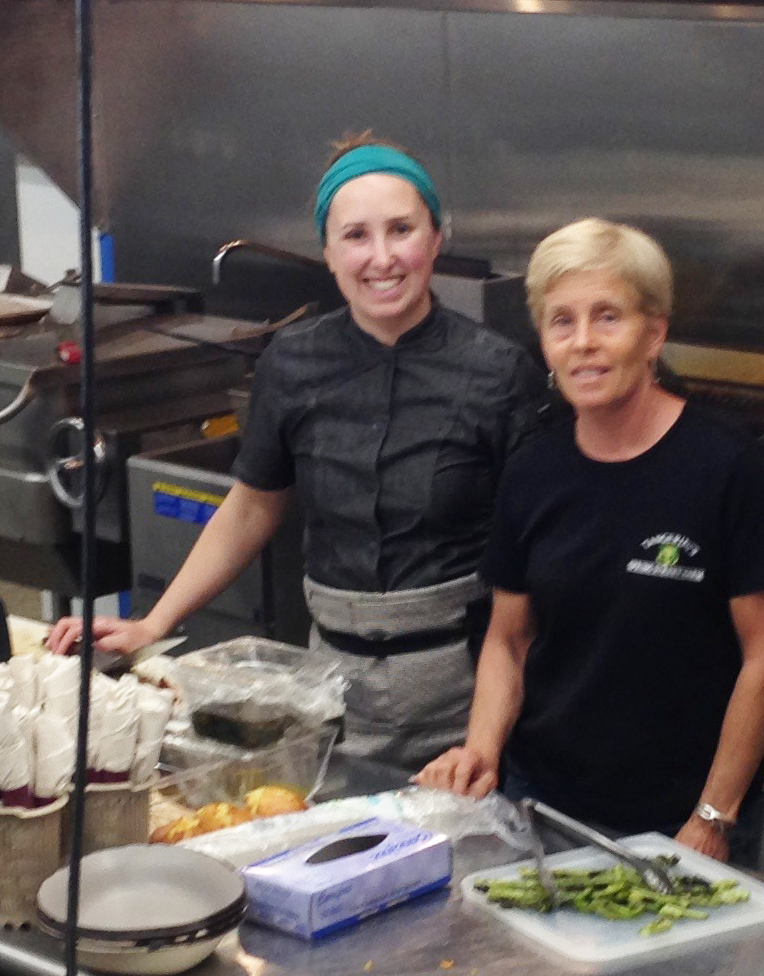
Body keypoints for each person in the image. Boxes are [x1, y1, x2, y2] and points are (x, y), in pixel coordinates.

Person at [48, 139, 539, 771]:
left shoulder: (498, 373)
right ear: (329, 254)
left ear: (436, 238)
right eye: (356, 236)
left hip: (462, 685)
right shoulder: (294, 361)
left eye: (402, 230)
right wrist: (151, 623)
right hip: (328, 680)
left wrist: (483, 745)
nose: (383, 257)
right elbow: (252, 507)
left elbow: (523, 580)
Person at [418, 219, 764, 862]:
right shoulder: (534, 470)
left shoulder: (726, 469)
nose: (584, 344)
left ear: (655, 332)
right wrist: (480, 751)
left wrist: (713, 817)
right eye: (561, 322)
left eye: (608, 318)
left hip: (683, 817)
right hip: (541, 803)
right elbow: (509, 639)